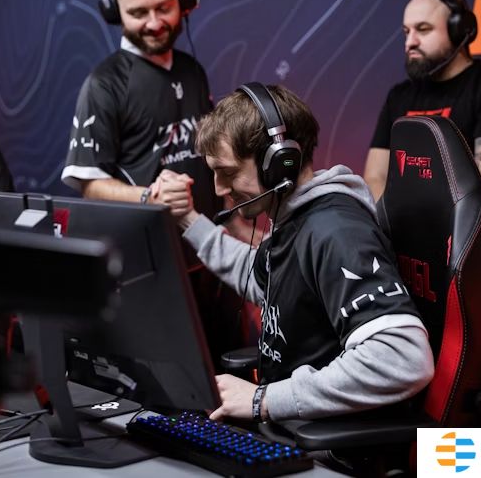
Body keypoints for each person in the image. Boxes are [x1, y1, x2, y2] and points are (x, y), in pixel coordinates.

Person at [172, 83, 433, 422]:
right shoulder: (295, 219)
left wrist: (264, 399)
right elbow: (261, 279)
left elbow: (404, 358)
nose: (219, 189)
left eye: (229, 173)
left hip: (326, 442)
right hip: (293, 425)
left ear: (280, 164)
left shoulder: (336, 232)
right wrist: (189, 220)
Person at [363, 0, 481, 426]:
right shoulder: (400, 97)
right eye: (406, 32)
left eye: (423, 29)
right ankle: (443, 461)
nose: (410, 41)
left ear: (461, 30)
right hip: (412, 270)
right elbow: (375, 179)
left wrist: (408, 219)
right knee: (425, 401)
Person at [60, 0, 239, 362]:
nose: (155, 22)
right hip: (149, 273)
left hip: (211, 260)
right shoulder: (104, 85)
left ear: (184, 0)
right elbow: (89, 185)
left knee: (228, 376)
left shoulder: (192, 71)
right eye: (138, 13)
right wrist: (149, 197)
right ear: (114, 12)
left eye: (164, 8)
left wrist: (238, 218)